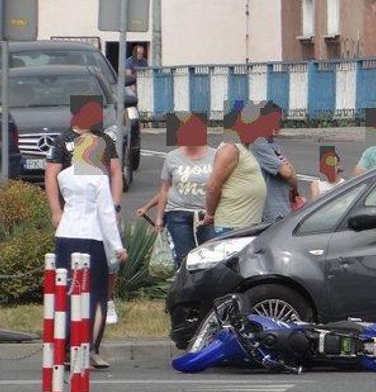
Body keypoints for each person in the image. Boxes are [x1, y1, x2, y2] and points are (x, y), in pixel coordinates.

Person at [54, 133, 127, 369]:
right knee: (96, 295)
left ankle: (64, 346)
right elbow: (106, 214)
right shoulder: (97, 178)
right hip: (91, 236)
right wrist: (117, 246)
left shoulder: (64, 176)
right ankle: (88, 346)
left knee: (66, 291)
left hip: (65, 234)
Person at [136, 112, 217, 269]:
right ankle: (188, 291)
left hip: (207, 215)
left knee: (210, 259)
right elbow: (165, 189)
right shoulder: (172, 157)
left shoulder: (216, 155)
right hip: (177, 213)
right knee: (185, 260)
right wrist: (159, 218)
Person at [203, 103, 268, 236]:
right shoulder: (230, 148)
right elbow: (213, 186)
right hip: (232, 226)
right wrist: (210, 214)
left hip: (246, 225)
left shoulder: (245, 148)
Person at [249, 101, 298, 221]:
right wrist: (288, 169)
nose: (277, 127)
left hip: (282, 208)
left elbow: (293, 180)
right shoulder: (258, 144)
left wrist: (289, 169)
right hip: (270, 212)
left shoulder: (273, 145)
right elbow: (287, 173)